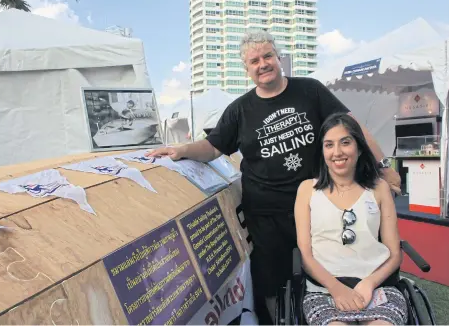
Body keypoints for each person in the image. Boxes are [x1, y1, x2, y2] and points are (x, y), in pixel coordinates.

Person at [146, 30, 401, 323]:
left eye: (267, 56)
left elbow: (351, 127)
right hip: (268, 215)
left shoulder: (310, 90)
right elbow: (213, 147)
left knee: (327, 270)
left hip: (321, 205)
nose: (262, 64)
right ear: (247, 69)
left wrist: (383, 165)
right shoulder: (240, 110)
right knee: (271, 282)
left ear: (278, 58)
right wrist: (182, 149)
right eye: (254, 60)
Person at [294, 113, 407, 325]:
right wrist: (336, 289)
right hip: (324, 290)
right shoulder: (307, 190)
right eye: (329, 145)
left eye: (345, 142)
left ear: (360, 148)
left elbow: (394, 254)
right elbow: (306, 256)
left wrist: (369, 283)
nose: (337, 152)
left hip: (377, 287)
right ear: (322, 151)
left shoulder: (379, 188)